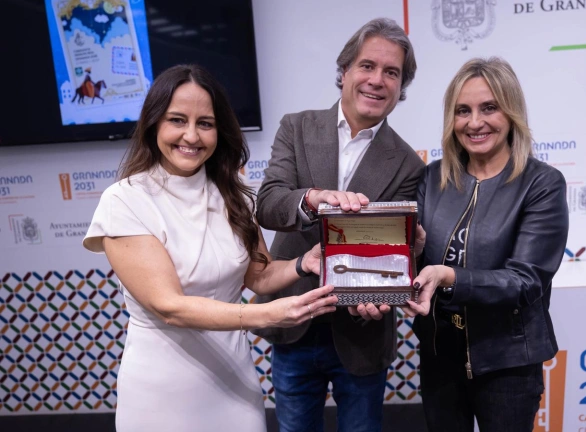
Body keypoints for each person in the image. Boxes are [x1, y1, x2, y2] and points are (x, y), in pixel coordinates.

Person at [82, 64, 338, 432]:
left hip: (235, 386)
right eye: (177, 120)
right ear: (154, 123)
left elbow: (260, 275)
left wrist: (302, 263)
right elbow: (169, 306)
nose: (191, 135)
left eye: (205, 123)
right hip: (159, 395)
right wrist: (266, 315)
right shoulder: (124, 200)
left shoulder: (234, 196)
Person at [255, 18, 424, 432]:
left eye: (391, 72)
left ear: (401, 87)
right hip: (293, 318)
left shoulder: (408, 163)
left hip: (361, 333)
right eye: (367, 66)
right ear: (345, 70)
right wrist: (312, 199)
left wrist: (396, 273)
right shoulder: (296, 127)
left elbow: (392, 252)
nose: (377, 80)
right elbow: (268, 205)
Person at [403, 57, 569, 432]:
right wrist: (412, 254)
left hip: (507, 362)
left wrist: (448, 276)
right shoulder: (432, 178)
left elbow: (525, 281)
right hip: (439, 355)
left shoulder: (541, 183)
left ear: (511, 112)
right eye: (463, 111)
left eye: (489, 108)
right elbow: (415, 266)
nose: (474, 122)